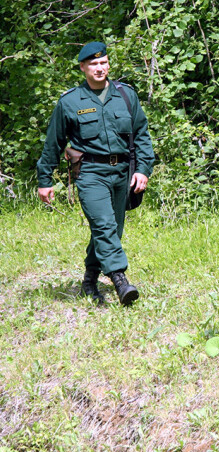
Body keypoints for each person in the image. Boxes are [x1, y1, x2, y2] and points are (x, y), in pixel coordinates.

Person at [36, 42, 155, 305]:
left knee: (112, 229)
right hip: (90, 172)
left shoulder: (126, 95)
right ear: (83, 67)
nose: (99, 68)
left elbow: (142, 136)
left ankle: (90, 279)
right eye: (93, 64)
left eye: (103, 63)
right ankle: (120, 278)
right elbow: (53, 143)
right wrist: (45, 181)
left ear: (109, 64)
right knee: (103, 225)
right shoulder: (70, 101)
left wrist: (144, 170)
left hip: (123, 171)